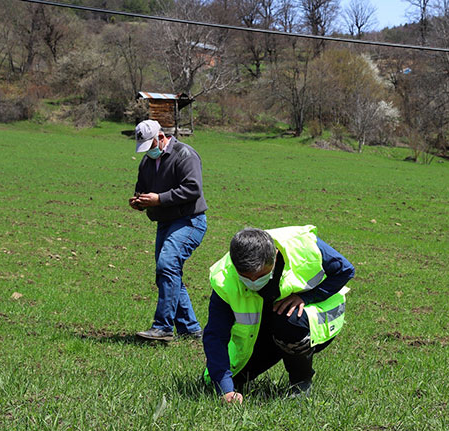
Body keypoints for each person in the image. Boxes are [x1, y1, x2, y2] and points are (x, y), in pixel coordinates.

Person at [202, 225, 355, 403]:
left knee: (289, 321)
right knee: (214, 383)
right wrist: (225, 389)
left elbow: (346, 270)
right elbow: (215, 335)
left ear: (274, 256)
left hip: (307, 320)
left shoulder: (303, 244)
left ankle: (301, 382)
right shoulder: (224, 278)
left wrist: (306, 297)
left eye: (260, 275)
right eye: (245, 276)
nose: (253, 282)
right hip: (261, 330)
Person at [129, 119, 208, 342]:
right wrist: (139, 201)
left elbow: (193, 188)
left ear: (160, 137)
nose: (148, 152)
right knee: (169, 273)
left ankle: (162, 327)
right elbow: (142, 189)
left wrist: (159, 199)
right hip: (165, 222)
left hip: (189, 221)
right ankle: (190, 329)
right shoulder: (146, 162)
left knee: (167, 266)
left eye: (150, 146)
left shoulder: (185, 154)